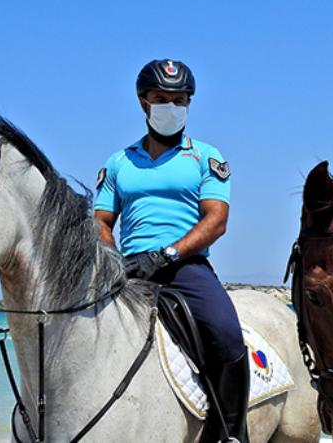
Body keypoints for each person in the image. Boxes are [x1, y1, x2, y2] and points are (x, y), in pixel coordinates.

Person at [94, 59, 249, 442]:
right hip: (126, 269)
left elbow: (216, 220)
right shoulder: (118, 162)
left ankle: (230, 432)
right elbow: (100, 221)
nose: (171, 107)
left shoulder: (205, 157)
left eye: (179, 100)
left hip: (186, 268)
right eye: (161, 98)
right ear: (143, 102)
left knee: (227, 335)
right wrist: (114, 260)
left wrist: (167, 255)